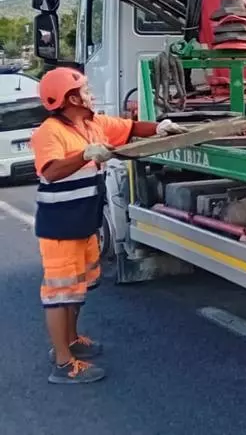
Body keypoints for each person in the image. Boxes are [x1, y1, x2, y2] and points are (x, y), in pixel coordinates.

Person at [31, 67, 188, 385]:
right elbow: (51, 171)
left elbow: (129, 128)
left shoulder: (94, 124)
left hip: (83, 223)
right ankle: (63, 363)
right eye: (84, 90)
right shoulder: (50, 132)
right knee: (60, 294)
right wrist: (84, 155)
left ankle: (72, 340)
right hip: (60, 228)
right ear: (71, 98)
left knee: (77, 289)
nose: (90, 94)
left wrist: (160, 127)